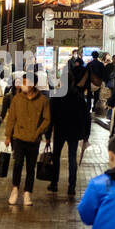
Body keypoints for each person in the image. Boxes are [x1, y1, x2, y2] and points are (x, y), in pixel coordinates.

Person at [4, 74, 50, 206]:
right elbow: (11, 117)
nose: (23, 85)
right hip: (18, 137)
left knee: (31, 167)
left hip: (34, 140)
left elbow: (47, 119)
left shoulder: (42, 100)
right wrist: (8, 135)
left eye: (26, 82)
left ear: (33, 84)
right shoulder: (17, 99)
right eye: (22, 82)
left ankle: (27, 193)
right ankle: (15, 189)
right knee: (17, 164)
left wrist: (38, 132)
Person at [46, 63, 91, 196]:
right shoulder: (79, 97)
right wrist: (86, 134)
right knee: (72, 158)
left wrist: (48, 135)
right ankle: (72, 186)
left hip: (60, 131)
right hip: (74, 132)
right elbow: (86, 117)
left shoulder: (56, 97)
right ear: (72, 81)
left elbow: (51, 118)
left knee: (56, 157)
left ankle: (54, 183)